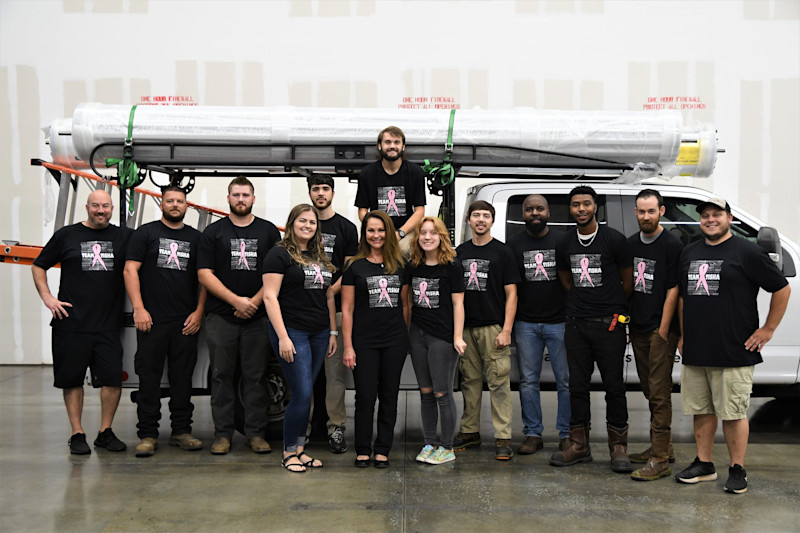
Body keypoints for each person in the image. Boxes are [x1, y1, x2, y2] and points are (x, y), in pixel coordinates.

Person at [674, 197, 790, 494]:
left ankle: (737, 469)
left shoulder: (748, 252)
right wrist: (684, 336)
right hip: (697, 348)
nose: (710, 219)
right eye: (705, 216)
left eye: (717, 214)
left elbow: (782, 288)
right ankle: (704, 463)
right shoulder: (690, 252)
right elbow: (685, 299)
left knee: (734, 412)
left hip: (735, 349)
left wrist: (768, 329)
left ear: (728, 219)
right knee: (701, 409)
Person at [32, 189, 132, 455]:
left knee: (112, 380)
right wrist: (47, 297)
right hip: (71, 323)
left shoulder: (123, 236)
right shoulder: (67, 235)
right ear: (87, 207)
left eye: (106, 206)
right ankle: (77, 433)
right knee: (72, 380)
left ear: (112, 208)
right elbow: (38, 265)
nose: (101, 210)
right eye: (96, 206)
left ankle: (105, 432)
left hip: (108, 324)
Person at [549, 185, 634, 473]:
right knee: (577, 386)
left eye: (586, 204)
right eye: (575, 205)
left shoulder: (614, 240)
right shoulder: (565, 242)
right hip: (576, 323)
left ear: (595, 206)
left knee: (615, 386)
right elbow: (564, 274)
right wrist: (579, 299)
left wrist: (611, 307)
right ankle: (578, 445)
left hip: (609, 323)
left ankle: (618, 447)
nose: (581, 209)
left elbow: (628, 282)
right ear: (570, 209)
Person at [197, 176, 281, 455]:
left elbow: (275, 274)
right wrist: (235, 301)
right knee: (221, 376)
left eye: (246, 195)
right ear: (228, 198)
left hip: (257, 318)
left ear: (254, 199)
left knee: (255, 377)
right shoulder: (214, 232)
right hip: (221, 317)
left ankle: (256, 434)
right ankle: (222, 435)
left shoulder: (268, 232)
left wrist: (253, 303)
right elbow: (204, 274)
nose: (241, 199)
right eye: (236, 195)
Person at [123, 186, 207, 457]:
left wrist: (199, 312)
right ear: (161, 204)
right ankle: (147, 435)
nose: (174, 205)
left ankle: (181, 431)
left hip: (185, 322)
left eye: (179, 201)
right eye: (169, 201)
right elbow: (130, 270)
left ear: (186, 205)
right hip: (151, 321)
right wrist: (139, 308)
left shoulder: (197, 238)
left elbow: (205, 278)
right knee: (149, 379)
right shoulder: (145, 233)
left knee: (183, 379)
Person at [263, 204, 338, 473]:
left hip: (319, 332)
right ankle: (288, 452)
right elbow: (269, 297)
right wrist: (283, 337)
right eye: (303, 221)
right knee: (302, 392)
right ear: (292, 222)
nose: (308, 226)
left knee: (307, 395)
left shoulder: (319, 255)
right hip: (292, 331)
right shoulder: (278, 254)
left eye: (313, 222)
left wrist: (332, 332)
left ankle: (301, 449)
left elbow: (328, 295)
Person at [341, 210, 410, 468]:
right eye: (371, 230)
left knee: (389, 395)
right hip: (364, 342)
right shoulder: (354, 266)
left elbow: (405, 306)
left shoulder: (400, 265)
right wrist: (348, 346)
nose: (376, 235)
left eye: (381, 230)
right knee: (366, 396)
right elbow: (346, 310)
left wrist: (406, 338)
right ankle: (362, 449)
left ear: (389, 232)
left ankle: (382, 449)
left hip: (394, 340)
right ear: (364, 234)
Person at [453, 201, 520, 461]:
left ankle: (503, 437)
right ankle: (470, 431)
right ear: (469, 220)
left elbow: (511, 293)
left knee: (499, 383)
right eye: (476, 215)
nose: (481, 220)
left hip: (493, 327)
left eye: (486, 216)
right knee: (469, 382)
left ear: (492, 220)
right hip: (466, 328)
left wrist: (506, 330)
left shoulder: (503, 252)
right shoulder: (459, 252)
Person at [626, 189, 683, 480]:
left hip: (660, 330)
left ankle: (660, 460)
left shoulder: (671, 245)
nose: (646, 216)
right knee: (649, 388)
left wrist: (663, 328)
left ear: (661, 211)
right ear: (635, 212)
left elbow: (675, 288)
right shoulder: (632, 243)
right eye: (641, 211)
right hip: (637, 327)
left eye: (651, 211)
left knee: (659, 392)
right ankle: (665, 446)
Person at [507, 194, 570, 455]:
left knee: (565, 381)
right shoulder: (513, 245)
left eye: (540, 209)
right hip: (526, 323)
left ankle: (567, 434)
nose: (535, 213)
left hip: (560, 321)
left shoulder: (562, 241)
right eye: (530, 209)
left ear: (548, 212)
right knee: (528, 381)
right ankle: (533, 433)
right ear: (523, 214)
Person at [407, 217, 466, 465]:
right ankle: (430, 443)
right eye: (423, 233)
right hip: (417, 335)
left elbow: (458, 303)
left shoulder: (452, 266)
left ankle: (447, 447)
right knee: (426, 392)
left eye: (433, 233)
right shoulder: (414, 266)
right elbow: (408, 301)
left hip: (442, 337)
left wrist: (457, 337)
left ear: (442, 237)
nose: (428, 237)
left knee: (443, 393)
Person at [307, 174, 358, 454]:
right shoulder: (301, 224)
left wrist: (328, 292)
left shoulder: (346, 228)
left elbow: (349, 269)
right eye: (316, 189)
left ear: (333, 193)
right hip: (305, 313)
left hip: (336, 311)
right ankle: (300, 429)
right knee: (304, 376)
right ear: (310, 193)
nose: (321, 193)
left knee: (335, 376)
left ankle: (336, 428)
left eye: (325, 188)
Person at [355, 125, 426, 255]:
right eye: (387, 142)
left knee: (404, 250)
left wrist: (400, 233)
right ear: (379, 146)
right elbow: (362, 211)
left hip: (404, 232)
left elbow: (419, 211)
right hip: (376, 232)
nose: (392, 146)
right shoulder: (367, 173)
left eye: (396, 142)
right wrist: (377, 231)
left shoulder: (415, 172)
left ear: (403, 147)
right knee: (364, 255)